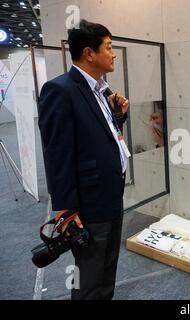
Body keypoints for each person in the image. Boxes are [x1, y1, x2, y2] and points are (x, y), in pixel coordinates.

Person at [38, 19, 130, 300]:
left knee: (107, 270)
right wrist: (64, 210)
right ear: (90, 53)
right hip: (88, 206)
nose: (114, 54)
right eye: (109, 47)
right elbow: (57, 155)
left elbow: (100, 136)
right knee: (89, 277)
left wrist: (118, 117)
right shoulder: (61, 90)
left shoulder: (102, 90)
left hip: (110, 196)